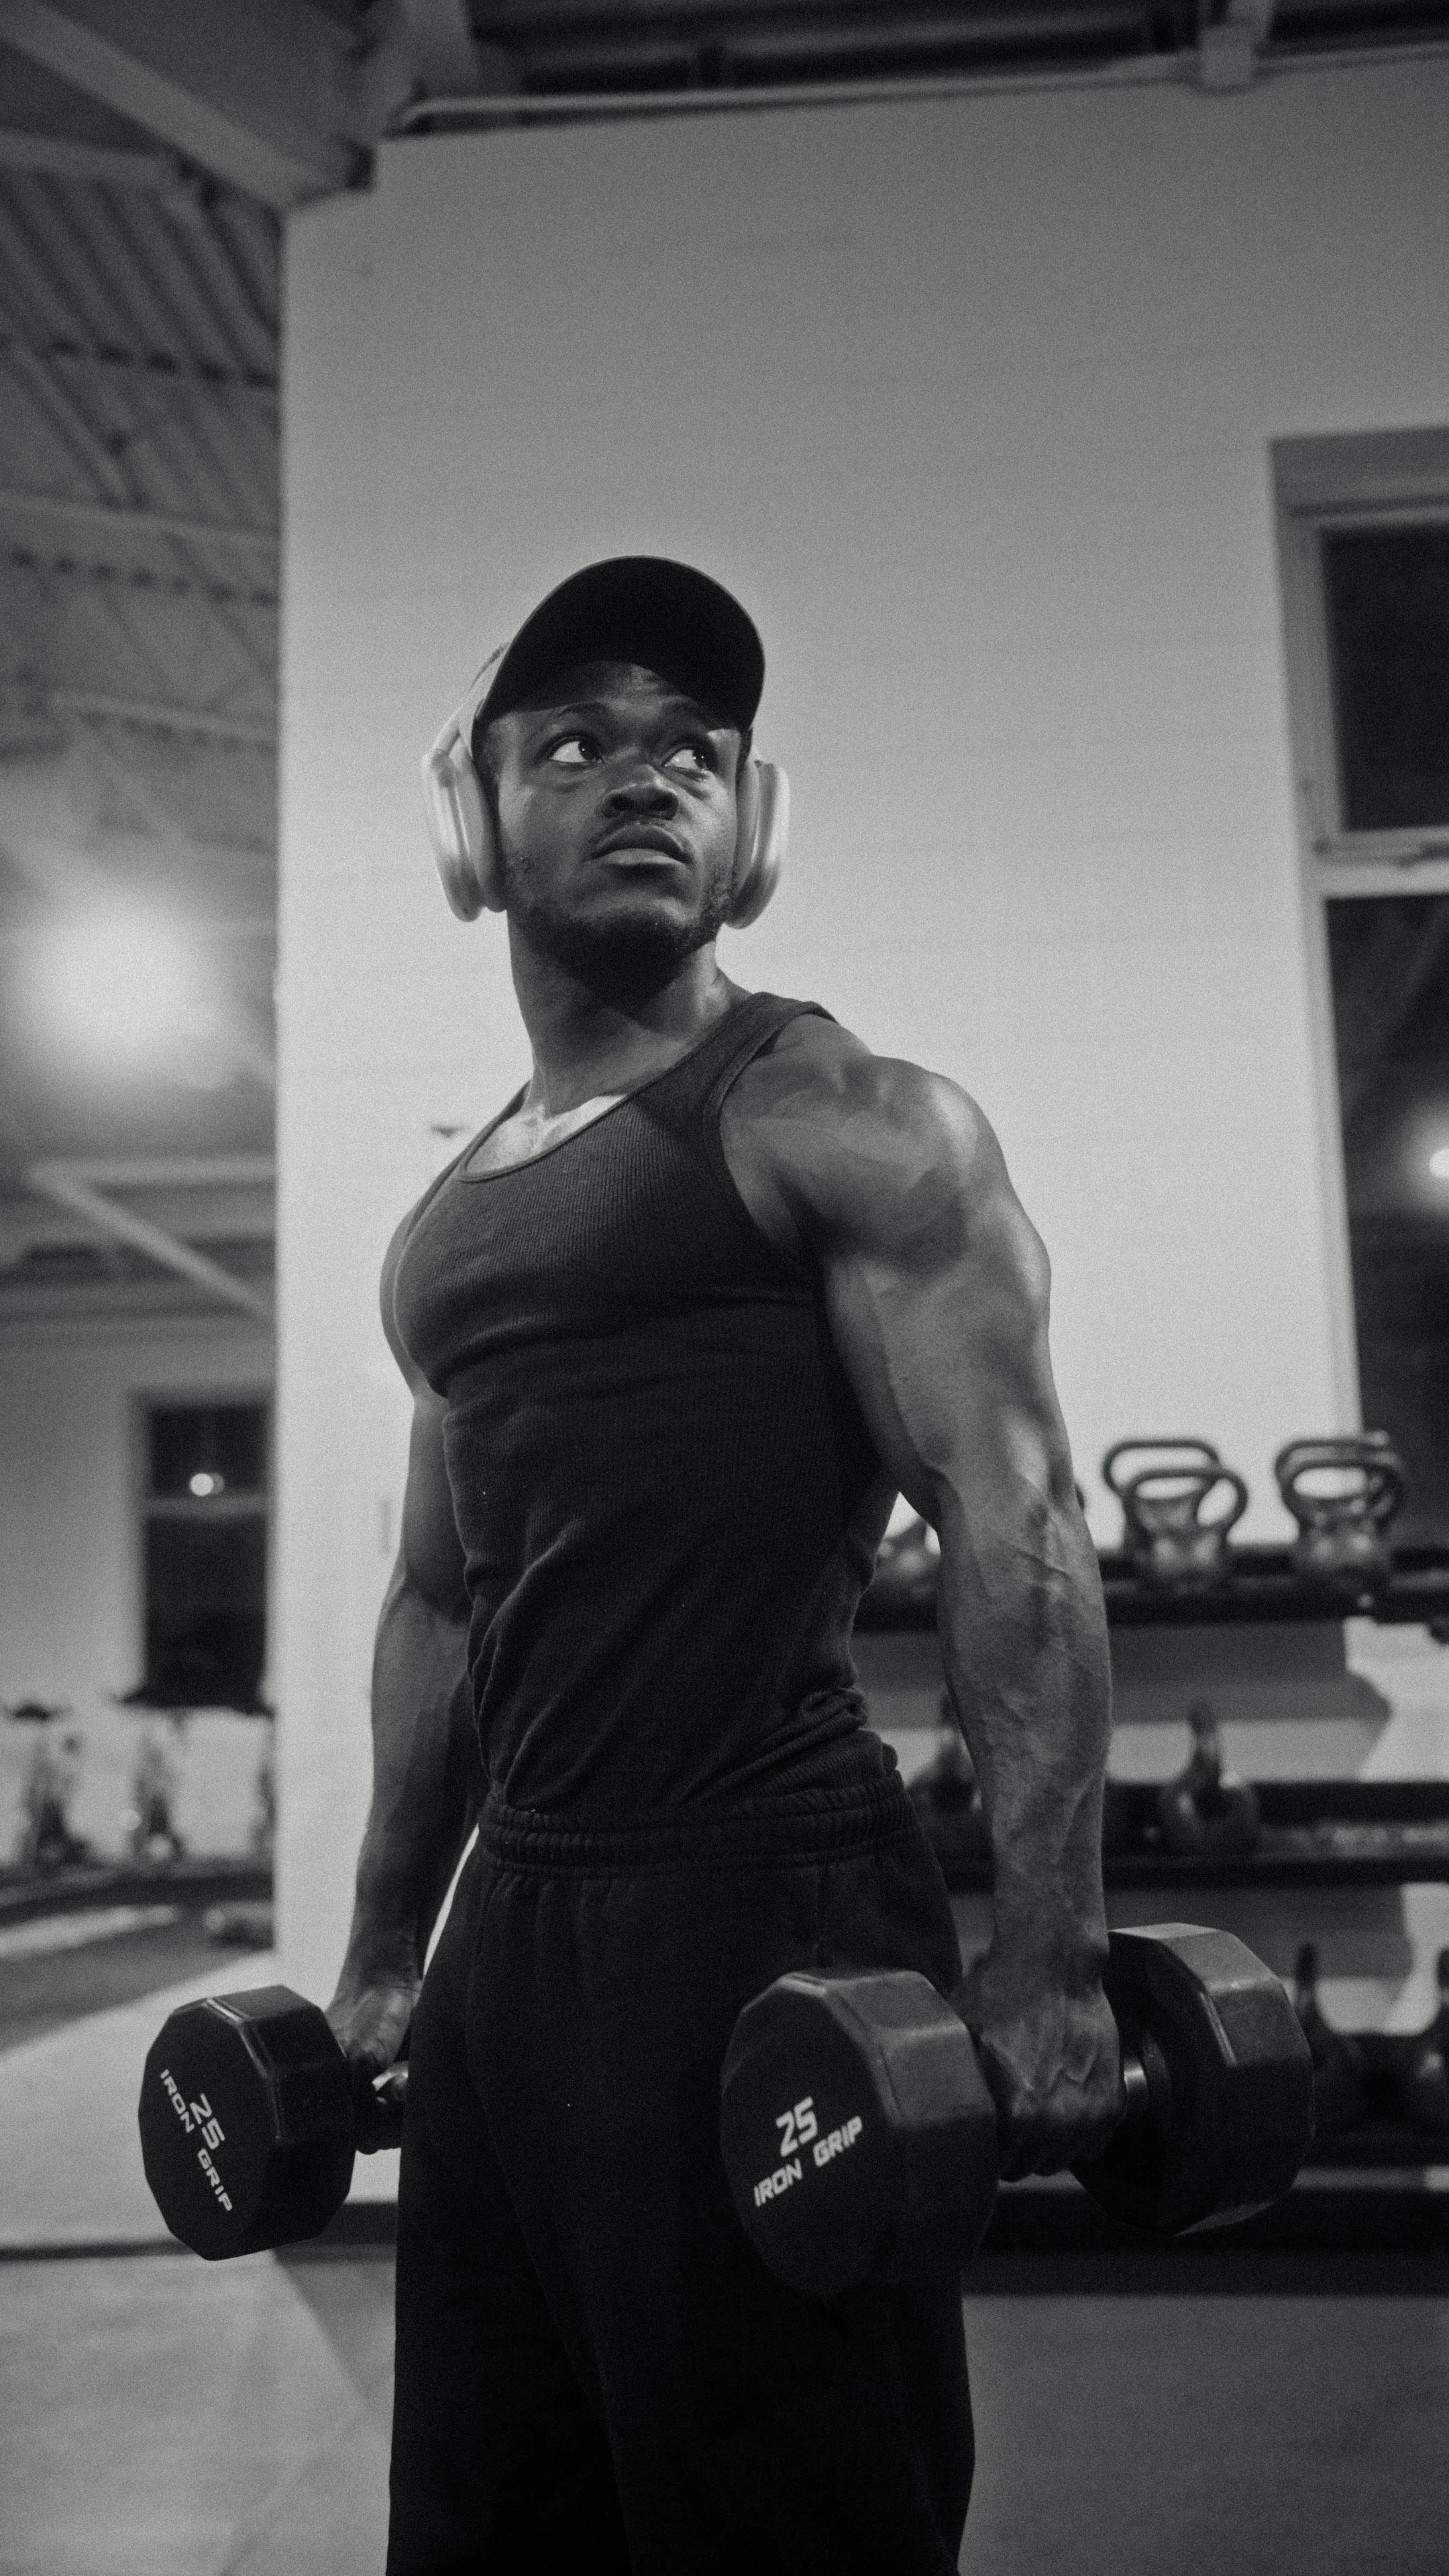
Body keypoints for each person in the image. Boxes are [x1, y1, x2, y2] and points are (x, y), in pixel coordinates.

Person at [326, 557, 1121, 2573]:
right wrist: (379, 1954)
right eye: (576, 742)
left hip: (764, 1905)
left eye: (695, 750)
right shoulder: (445, 1229)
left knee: (789, 2524)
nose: (645, 777)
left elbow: (1015, 1523)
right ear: (473, 816)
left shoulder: (843, 1122)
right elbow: (440, 1602)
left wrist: (1049, 1953)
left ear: (751, 827)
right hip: (520, 1938)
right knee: (491, 2519)